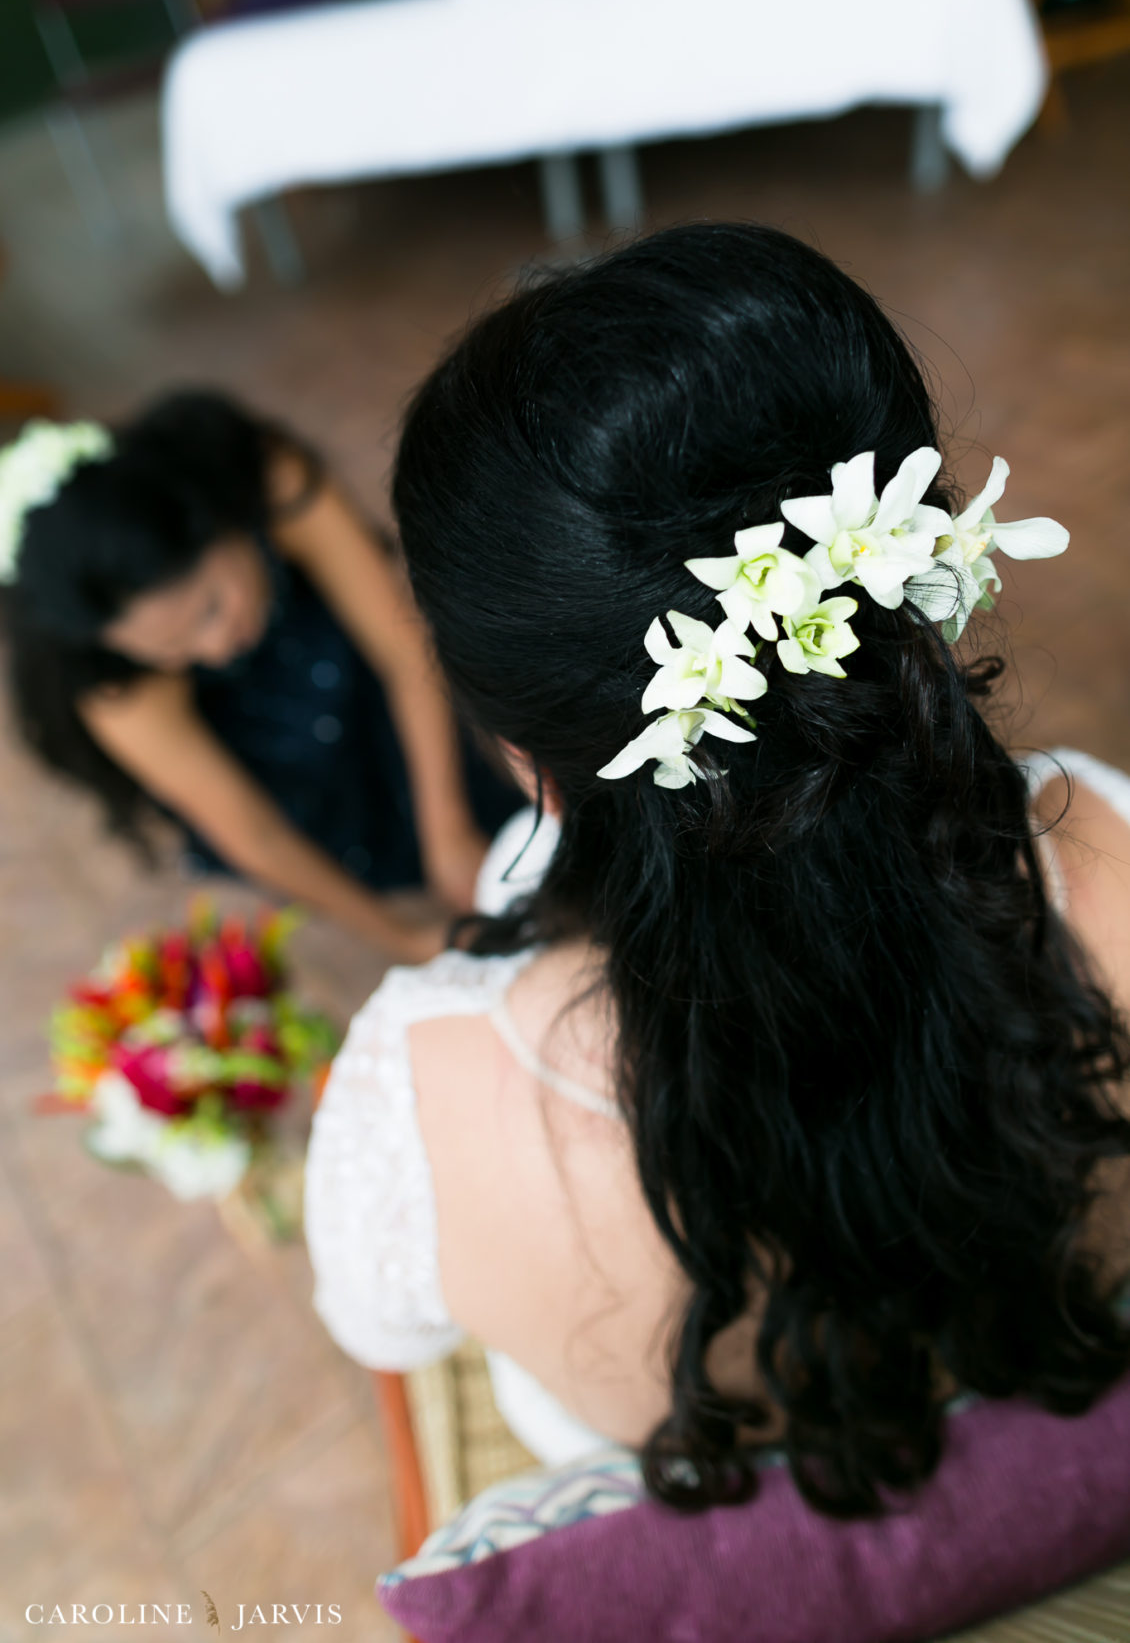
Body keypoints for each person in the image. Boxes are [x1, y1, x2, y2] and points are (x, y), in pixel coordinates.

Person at [305, 224, 1130, 1514]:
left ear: (523, 750)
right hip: (1061, 1412)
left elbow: (382, 1329)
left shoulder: (421, 1092)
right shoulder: (1111, 841)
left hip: (718, 1516)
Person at [0, 392, 521, 961]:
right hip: (253, 741)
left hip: (330, 652)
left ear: (222, 522)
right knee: (339, 832)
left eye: (211, 609)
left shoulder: (262, 473)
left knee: (450, 774)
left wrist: (448, 830)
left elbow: (401, 651)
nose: (213, 649)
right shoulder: (104, 675)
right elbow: (256, 835)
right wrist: (402, 938)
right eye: (168, 649)